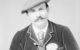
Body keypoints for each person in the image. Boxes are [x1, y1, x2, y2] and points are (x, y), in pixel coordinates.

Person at [10, 0, 79, 50]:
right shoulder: (19, 37)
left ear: (47, 9)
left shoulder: (63, 31)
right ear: (28, 14)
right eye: (33, 11)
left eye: (41, 9)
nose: (38, 15)